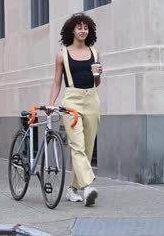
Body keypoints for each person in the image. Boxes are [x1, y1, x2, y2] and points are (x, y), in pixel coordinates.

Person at [48, 13, 102, 207]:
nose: (83, 31)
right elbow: (56, 83)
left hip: (92, 99)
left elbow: (97, 82)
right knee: (77, 146)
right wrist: (51, 103)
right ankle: (88, 187)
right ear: (72, 30)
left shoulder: (94, 52)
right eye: (79, 27)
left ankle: (72, 190)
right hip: (72, 100)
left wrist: (98, 75)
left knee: (87, 148)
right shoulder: (62, 55)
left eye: (86, 28)